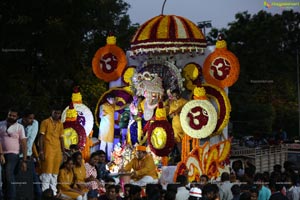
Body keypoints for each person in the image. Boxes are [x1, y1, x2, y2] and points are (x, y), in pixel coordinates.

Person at [0, 108, 27, 200]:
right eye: (10, 115)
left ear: (17, 117)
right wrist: (1, 154)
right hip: (2, 154)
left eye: (14, 116)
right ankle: (5, 196)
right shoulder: (1, 124)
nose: (11, 117)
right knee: (4, 177)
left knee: (9, 174)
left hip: (13, 154)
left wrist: (24, 160)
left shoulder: (20, 127)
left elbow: (24, 143)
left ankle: (12, 197)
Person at [39, 107, 66, 195]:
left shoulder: (60, 124)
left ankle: (53, 193)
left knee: (55, 174)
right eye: (55, 113)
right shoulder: (45, 122)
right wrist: (41, 151)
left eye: (59, 113)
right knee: (47, 173)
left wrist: (63, 151)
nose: (57, 115)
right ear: (52, 112)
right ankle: (45, 194)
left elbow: (61, 138)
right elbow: (41, 137)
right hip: (47, 149)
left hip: (57, 151)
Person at [17, 109, 42, 199]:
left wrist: (37, 157)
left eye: (32, 118)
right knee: (21, 182)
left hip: (28, 156)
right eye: (29, 118)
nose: (32, 120)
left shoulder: (35, 123)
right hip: (18, 156)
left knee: (35, 182)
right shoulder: (17, 124)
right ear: (23, 118)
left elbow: (31, 142)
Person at [99, 93, 117, 161]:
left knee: (110, 144)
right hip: (105, 128)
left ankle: (110, 160)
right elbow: (100, 115)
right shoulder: (103, 106)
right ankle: (101, 160)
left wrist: (126, 105)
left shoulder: (113, 106)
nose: (113, 100)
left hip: (111, 129)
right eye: (112, 99)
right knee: (103, 144)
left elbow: (119, 107)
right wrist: (102, 114)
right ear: (108, 99)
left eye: (114, 99)